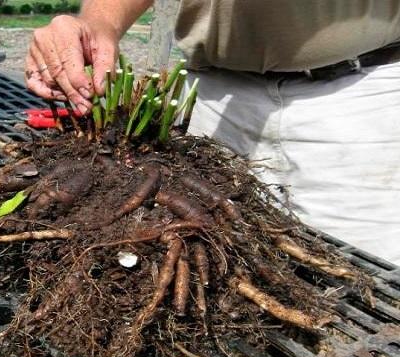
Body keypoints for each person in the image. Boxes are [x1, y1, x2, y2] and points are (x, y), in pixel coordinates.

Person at [24, 0, 400, 264]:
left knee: (364, 275)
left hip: (360, 94)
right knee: (223, 255)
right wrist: (100, 24)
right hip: (215, 93)